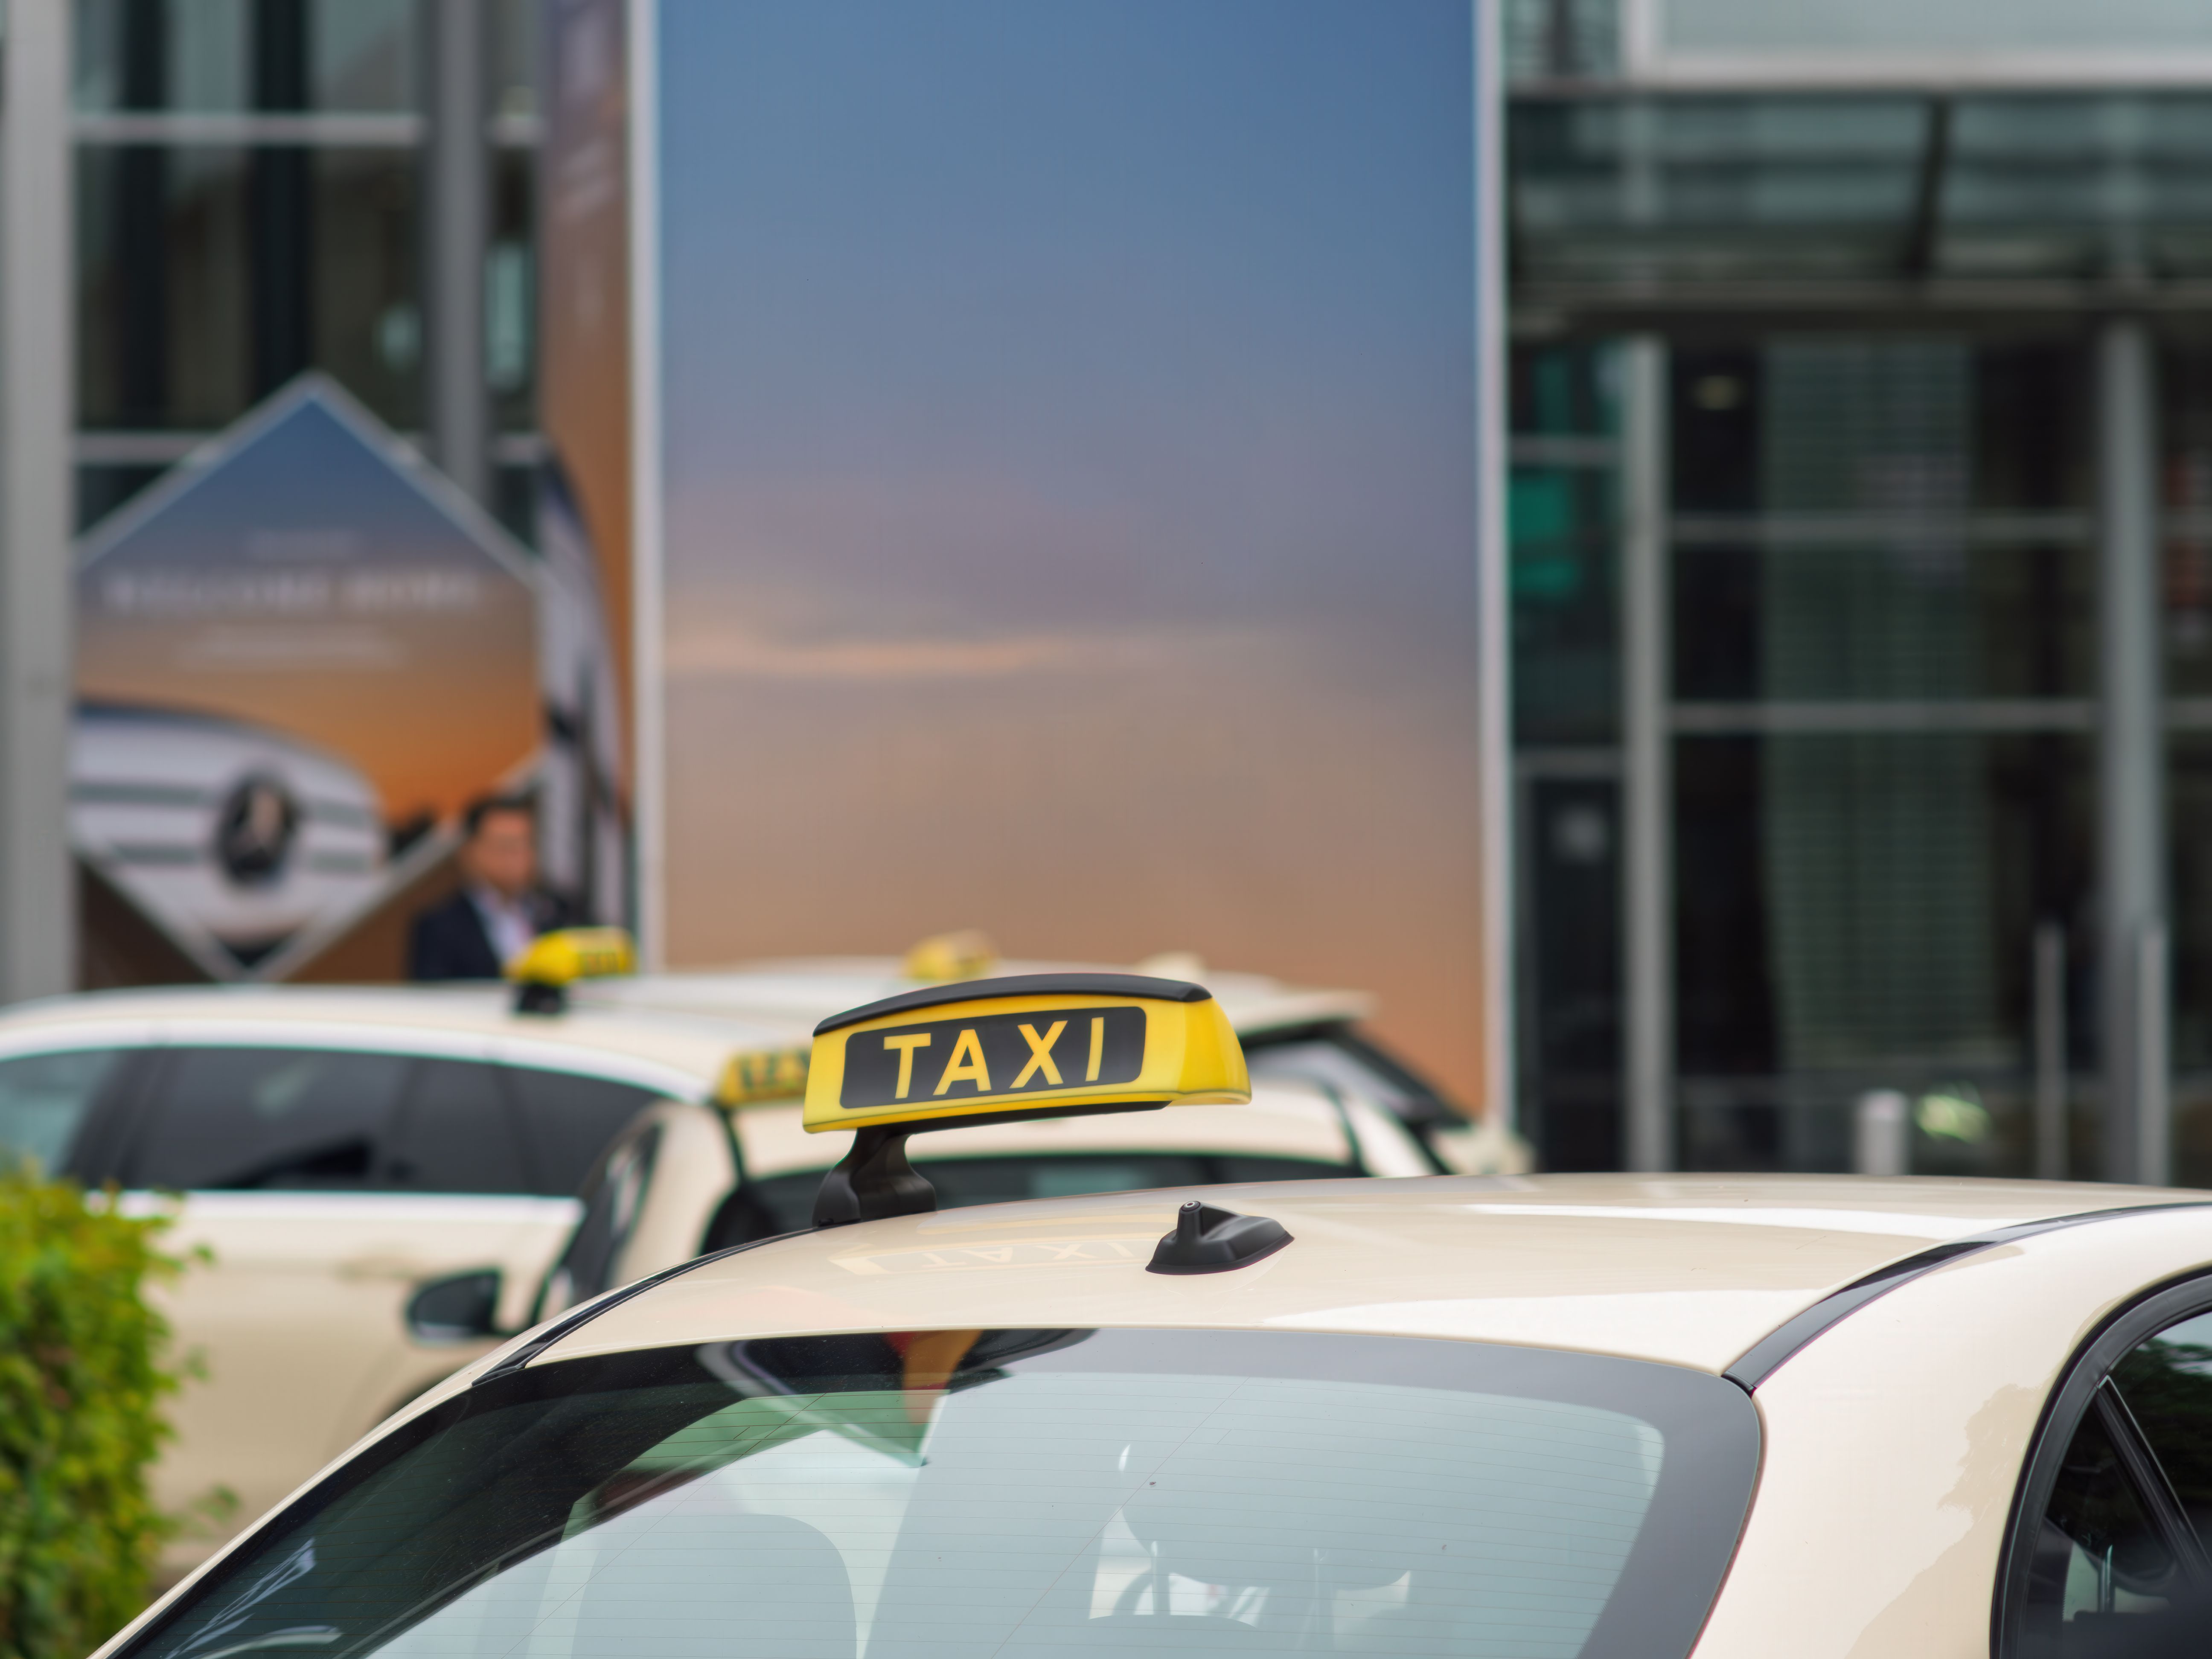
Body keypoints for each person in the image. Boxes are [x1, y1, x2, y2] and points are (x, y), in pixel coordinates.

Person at [407, 795, 579, 981]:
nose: (517, 856)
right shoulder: (439, 925)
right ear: (470, 851)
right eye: (505, 845)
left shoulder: (560, 910)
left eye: (525, 844)